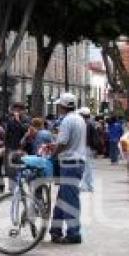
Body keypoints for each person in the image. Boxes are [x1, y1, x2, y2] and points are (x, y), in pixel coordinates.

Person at [49, 93, 87, 244]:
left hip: (70, 162)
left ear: (62, 106)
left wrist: (53, 154)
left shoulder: (67, 120)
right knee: (63, 198)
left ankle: (73, 233)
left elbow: (63, 142)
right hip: (77, 161)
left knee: (70, 200)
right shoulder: (79, 119)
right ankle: (55, 229)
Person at [79, 107, 98, 193]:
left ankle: (86, 185)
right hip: (88, 148)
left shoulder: (85, 124)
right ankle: (88, 185)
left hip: (85, 147)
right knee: (88, 166)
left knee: (86, 167)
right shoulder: (90, 124)